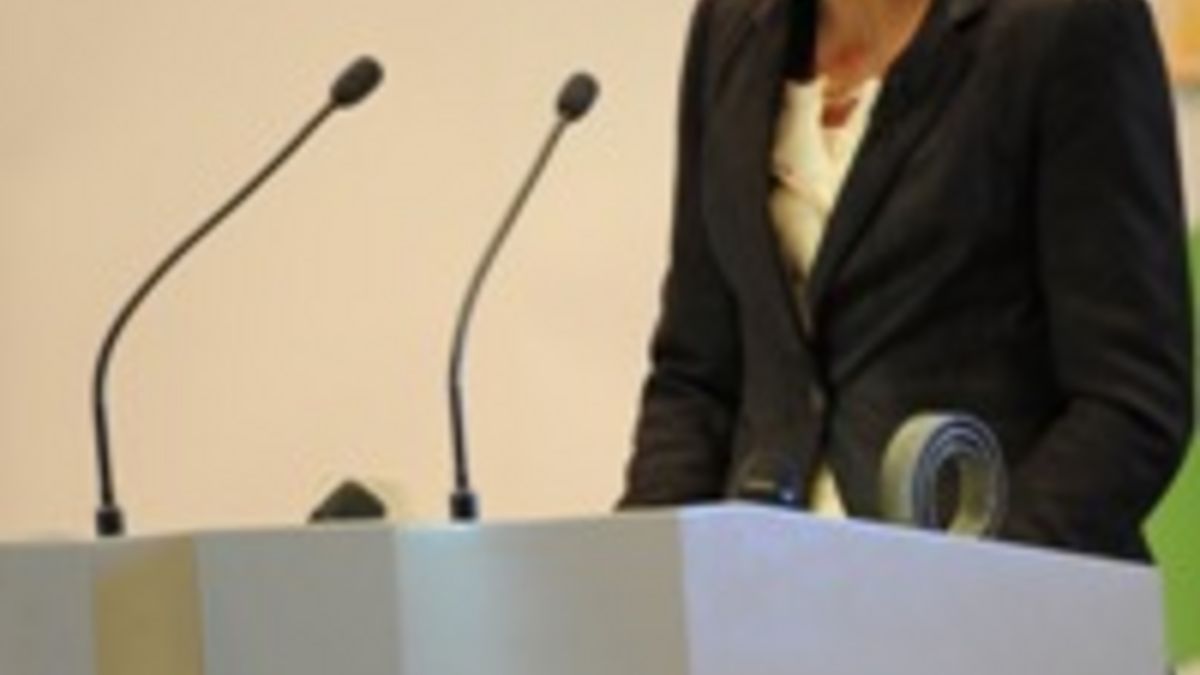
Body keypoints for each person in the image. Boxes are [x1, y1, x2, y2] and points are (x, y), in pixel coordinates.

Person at [619, 0, 1194, 562]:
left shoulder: (1068, 20)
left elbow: (1130, 403)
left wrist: (964, 583)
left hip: (994, 598)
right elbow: (696, 377)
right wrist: (642, 577)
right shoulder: (730, 25)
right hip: (765, 593)